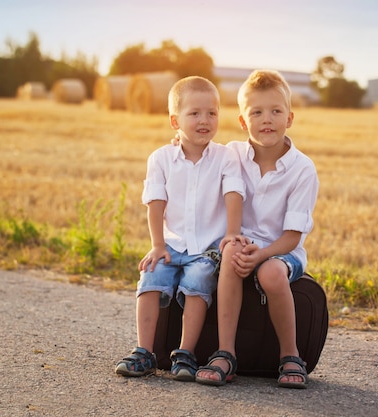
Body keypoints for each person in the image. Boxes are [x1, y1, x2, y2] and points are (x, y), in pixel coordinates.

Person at [194, 69, 319, 389]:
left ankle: (291, 356)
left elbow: (293, 236)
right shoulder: (232, 153)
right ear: (242, 121)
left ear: (290, 118)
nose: (267, 119)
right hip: (242, 240)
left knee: (271, 274)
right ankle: (225, 354)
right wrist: (180, 139)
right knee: (232, 250)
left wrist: (263, 254)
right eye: (257, 112)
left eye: (276, 111)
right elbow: (197, 151)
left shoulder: (302, 169)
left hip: (282, 249)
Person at [115, 76, 244, 382]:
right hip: (171, 244)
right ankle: (144, 352)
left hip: (207, 248)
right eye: (195, 113)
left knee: (198, 279)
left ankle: (185, 354)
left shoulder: (226, 157)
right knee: (151, 274)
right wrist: (158, 245)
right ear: (175, 120)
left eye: (212, 113)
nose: (205, 120)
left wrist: (232, 232)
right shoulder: (160, 158)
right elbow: (156, 203)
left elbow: (234, 194)